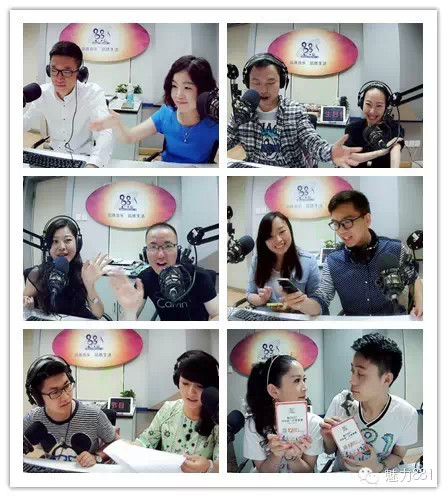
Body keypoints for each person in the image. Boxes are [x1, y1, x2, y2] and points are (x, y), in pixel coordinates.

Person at [280, 190, 423, 317]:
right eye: (336, 224)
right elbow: (322, 299)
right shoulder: (333, 260)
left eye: (347, 222)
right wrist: (302, 304)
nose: (341, 231)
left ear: (367, 219)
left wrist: (421, 303)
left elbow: (414, 278)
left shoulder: (395, 249)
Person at [227, 52, 364, 168]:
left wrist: (330, 152)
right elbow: (228, 140)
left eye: (270, 82)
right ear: (247, 83)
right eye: (256, 83)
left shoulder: (295, 110)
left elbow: (311, 141)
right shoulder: (242, 111)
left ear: (282, 82)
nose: (263, 89)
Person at [89, 55, 218, 164]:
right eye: (174, 86)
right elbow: (129, 137)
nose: (178, 95)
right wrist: (117, 124)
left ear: (204, 91)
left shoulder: (215, 122)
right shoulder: (166, 113)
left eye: (187, 88)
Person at [321, 333, 419, 472]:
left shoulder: (406, 414)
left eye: (361, 374)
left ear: (386, 379)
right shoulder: (342, 402)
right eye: (352, 371)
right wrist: (328, 438)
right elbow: (329, 450)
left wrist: (379, 467)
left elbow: (398, 454)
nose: (352, 380)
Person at [23, 41, 113, 168]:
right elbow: (25, 122)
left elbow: (105, 133)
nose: (59, 78)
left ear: (79, 73)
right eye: (54, 70)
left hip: (83, 158)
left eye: (67, 71)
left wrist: (94, 164)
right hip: (53, 156)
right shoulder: (42, 93)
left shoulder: (92, 94)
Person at [109, 222, 219, 321]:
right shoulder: (144, 279)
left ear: (178, 251)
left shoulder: (199, 276)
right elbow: (126, 324)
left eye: (168, 246)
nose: (160, 255)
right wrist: (129, 311)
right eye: (153, 247)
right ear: (145, 252)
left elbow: (218, 315)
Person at [24, 355, 119, 467]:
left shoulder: (94, 415)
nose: (66, 397)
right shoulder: (33, 418)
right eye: (55, 392)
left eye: (67, 386)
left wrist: (96, 457)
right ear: (38, 398)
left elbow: (116, 442)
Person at [134, 350, 219, 473]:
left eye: (199, 386)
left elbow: (220, 464)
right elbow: (147, 440)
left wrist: (208, 466)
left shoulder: (217, 419)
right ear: (177, 381)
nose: (191, 392)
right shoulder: (168, 409)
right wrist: (130, 447)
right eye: (185, 383)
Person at [243, 355, 323, 473]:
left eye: (304, 380)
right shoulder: (253, 425)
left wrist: (291, 457)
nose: (305, 388)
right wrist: (275, 455)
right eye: (297, 380)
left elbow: (307, 471)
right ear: (274, 391)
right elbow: (263, 472)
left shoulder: (314, 423)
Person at [23, 216, 110, 319]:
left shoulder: (83, 272)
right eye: (55, 241)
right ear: (48, 245)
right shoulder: (37, 274)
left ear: (77, 243)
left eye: (67, 240)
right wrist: (28, 305)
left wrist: (90, 286)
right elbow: (26, 302)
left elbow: (98, 314)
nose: (62, 247)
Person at [246, 211, 321, 314]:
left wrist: (301, 303)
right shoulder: (257, 261)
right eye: (270, 236)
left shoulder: (308, 261)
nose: (278, 240)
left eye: (282, 231)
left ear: (289, 229)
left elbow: (318, 305)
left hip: (297, 317)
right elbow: (249, 294)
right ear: (264, 241)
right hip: (267, 315)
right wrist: (261, 299)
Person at [344, 81, 405, 168]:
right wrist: (381, 152)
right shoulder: (352, 129)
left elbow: (395, 151)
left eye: (379, 106)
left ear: (386, 107)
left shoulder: (394, 128)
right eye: (368, 104)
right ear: (361, 103)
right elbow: (350, 157)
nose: (372, 111)